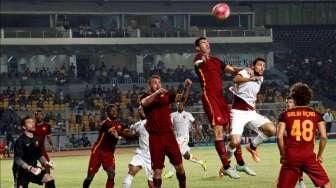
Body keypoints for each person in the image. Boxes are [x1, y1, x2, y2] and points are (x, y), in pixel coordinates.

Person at [193, 36, 244, 178]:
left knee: (233, 130)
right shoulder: (198, 58)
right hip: (210, 98)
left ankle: (239, 164)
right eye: (203, 43)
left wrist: (247, 69)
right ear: (198, 47)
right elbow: (197, 64)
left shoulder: (216, 60)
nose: (206, 44)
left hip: (221, 98)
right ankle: (227, 167)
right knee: (218, 130)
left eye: (207, 42)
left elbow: (232, 70)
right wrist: (201, 60)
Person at [140, 75, 192, 188]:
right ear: (149, 85)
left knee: (179, 167)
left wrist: (186, 88)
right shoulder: (145, 96)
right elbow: (144, 103)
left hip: (169, 136)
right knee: (157, 171)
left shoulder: (167, 95)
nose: (158, 84)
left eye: (159, 82)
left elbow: (182, 99)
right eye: (154, 82)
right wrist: (157, 93)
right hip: (155, 138)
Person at [277, 82, 331, 188]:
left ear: (295, 98)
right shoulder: (316, 115)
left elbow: (279, 137)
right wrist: (319, 155)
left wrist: (283, 155)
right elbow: (324, 137)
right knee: (326, 184)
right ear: (309, 98)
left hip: (291, 157)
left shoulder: (285, 115)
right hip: (309, 157)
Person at [227, 57, 276, 163]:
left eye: (264, 66)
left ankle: (252, 146)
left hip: (251, 113)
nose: (262, 67)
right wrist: (250, 77)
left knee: (271, 129)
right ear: (253, 66)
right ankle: (225, 163)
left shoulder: (261, 78)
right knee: (235, 142)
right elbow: (235, 79)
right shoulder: (246, 72)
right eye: (259, 65)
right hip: (238, 112)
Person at [83, 104, 133, 188]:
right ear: (107, 113)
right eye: (112, 111)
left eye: (115, 110)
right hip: (98, 151)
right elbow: (116, 133)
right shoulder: (105, 123)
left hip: (109, 153)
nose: (114, 112)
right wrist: (132, 136)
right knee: (90, 177)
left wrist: (130, 131)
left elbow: (124, 130)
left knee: (111, 174)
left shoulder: (119, 123)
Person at [164, 102, 207, 179]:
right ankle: (201, 162)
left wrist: (198, 132)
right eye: (178, 105)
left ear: (183, 106)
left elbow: (194, 122)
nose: (179, 106)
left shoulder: (188, 114)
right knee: (186, 156)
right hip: (176, 138)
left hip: (184, 138)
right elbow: (169, 125)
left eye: (180, 104)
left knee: (175, 152)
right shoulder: (173, 115)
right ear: (176, 106)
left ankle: (171, 172)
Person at [13, 116, 56, 188]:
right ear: (24, 127)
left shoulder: (36, 139)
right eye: (29, 122)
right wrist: (29, 168)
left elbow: (39, 155)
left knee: (49, 179)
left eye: (33, 122)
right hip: (21, 171)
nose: (32, 124)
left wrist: (46, 163)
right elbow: (17, 159)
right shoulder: (20, 141)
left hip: (34, 168)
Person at [122, 106, 153, 188]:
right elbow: (130, 133)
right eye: (139, 110)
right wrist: (124, 133)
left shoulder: (153, 121)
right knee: (131, 172)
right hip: (141, 153)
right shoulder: (137, 125)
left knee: (152, 183)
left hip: (153, 156)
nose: (141, 111)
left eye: (143, 109)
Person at [285, 96, 305, 188]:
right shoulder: (284, 114)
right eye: (287, 102)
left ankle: (300, 181)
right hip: (288, 142)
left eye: (290, 102)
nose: (288, 104)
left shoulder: (300, 114)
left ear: (295, 103)